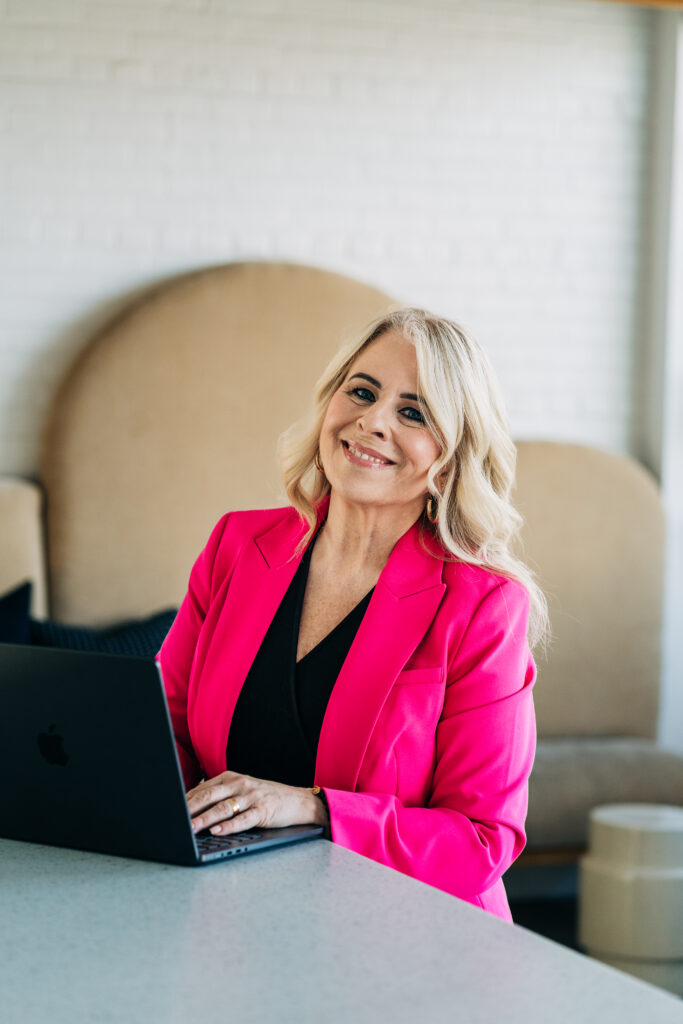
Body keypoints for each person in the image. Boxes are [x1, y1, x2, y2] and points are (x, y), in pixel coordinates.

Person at [157, 308, 549, 922]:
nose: (371, 421)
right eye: (361, 392)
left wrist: (314, 808)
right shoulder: (236, 545)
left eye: (412, 412)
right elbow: (166, 734)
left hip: (407, 941)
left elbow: (482, 840)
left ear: (450, 458)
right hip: (226, 916)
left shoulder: (484, 605)